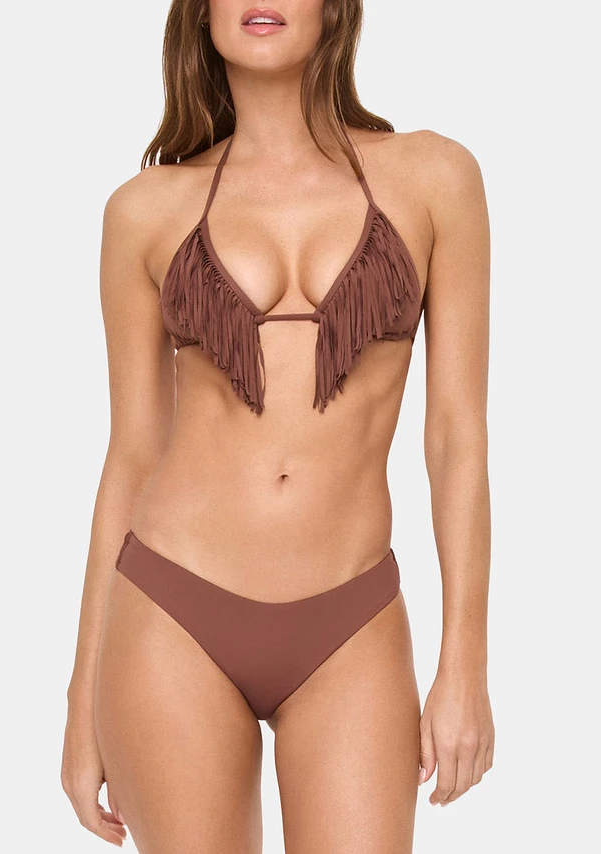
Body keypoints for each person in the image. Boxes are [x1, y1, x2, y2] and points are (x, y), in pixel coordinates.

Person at [61, 1, 494, 851]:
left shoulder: (435, 178)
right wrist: (81, 705)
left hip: (352, 620)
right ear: (202, 12)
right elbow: (131, 457)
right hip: (172, 610)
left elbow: (457, 438)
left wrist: (465, 664)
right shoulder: (143, 210)